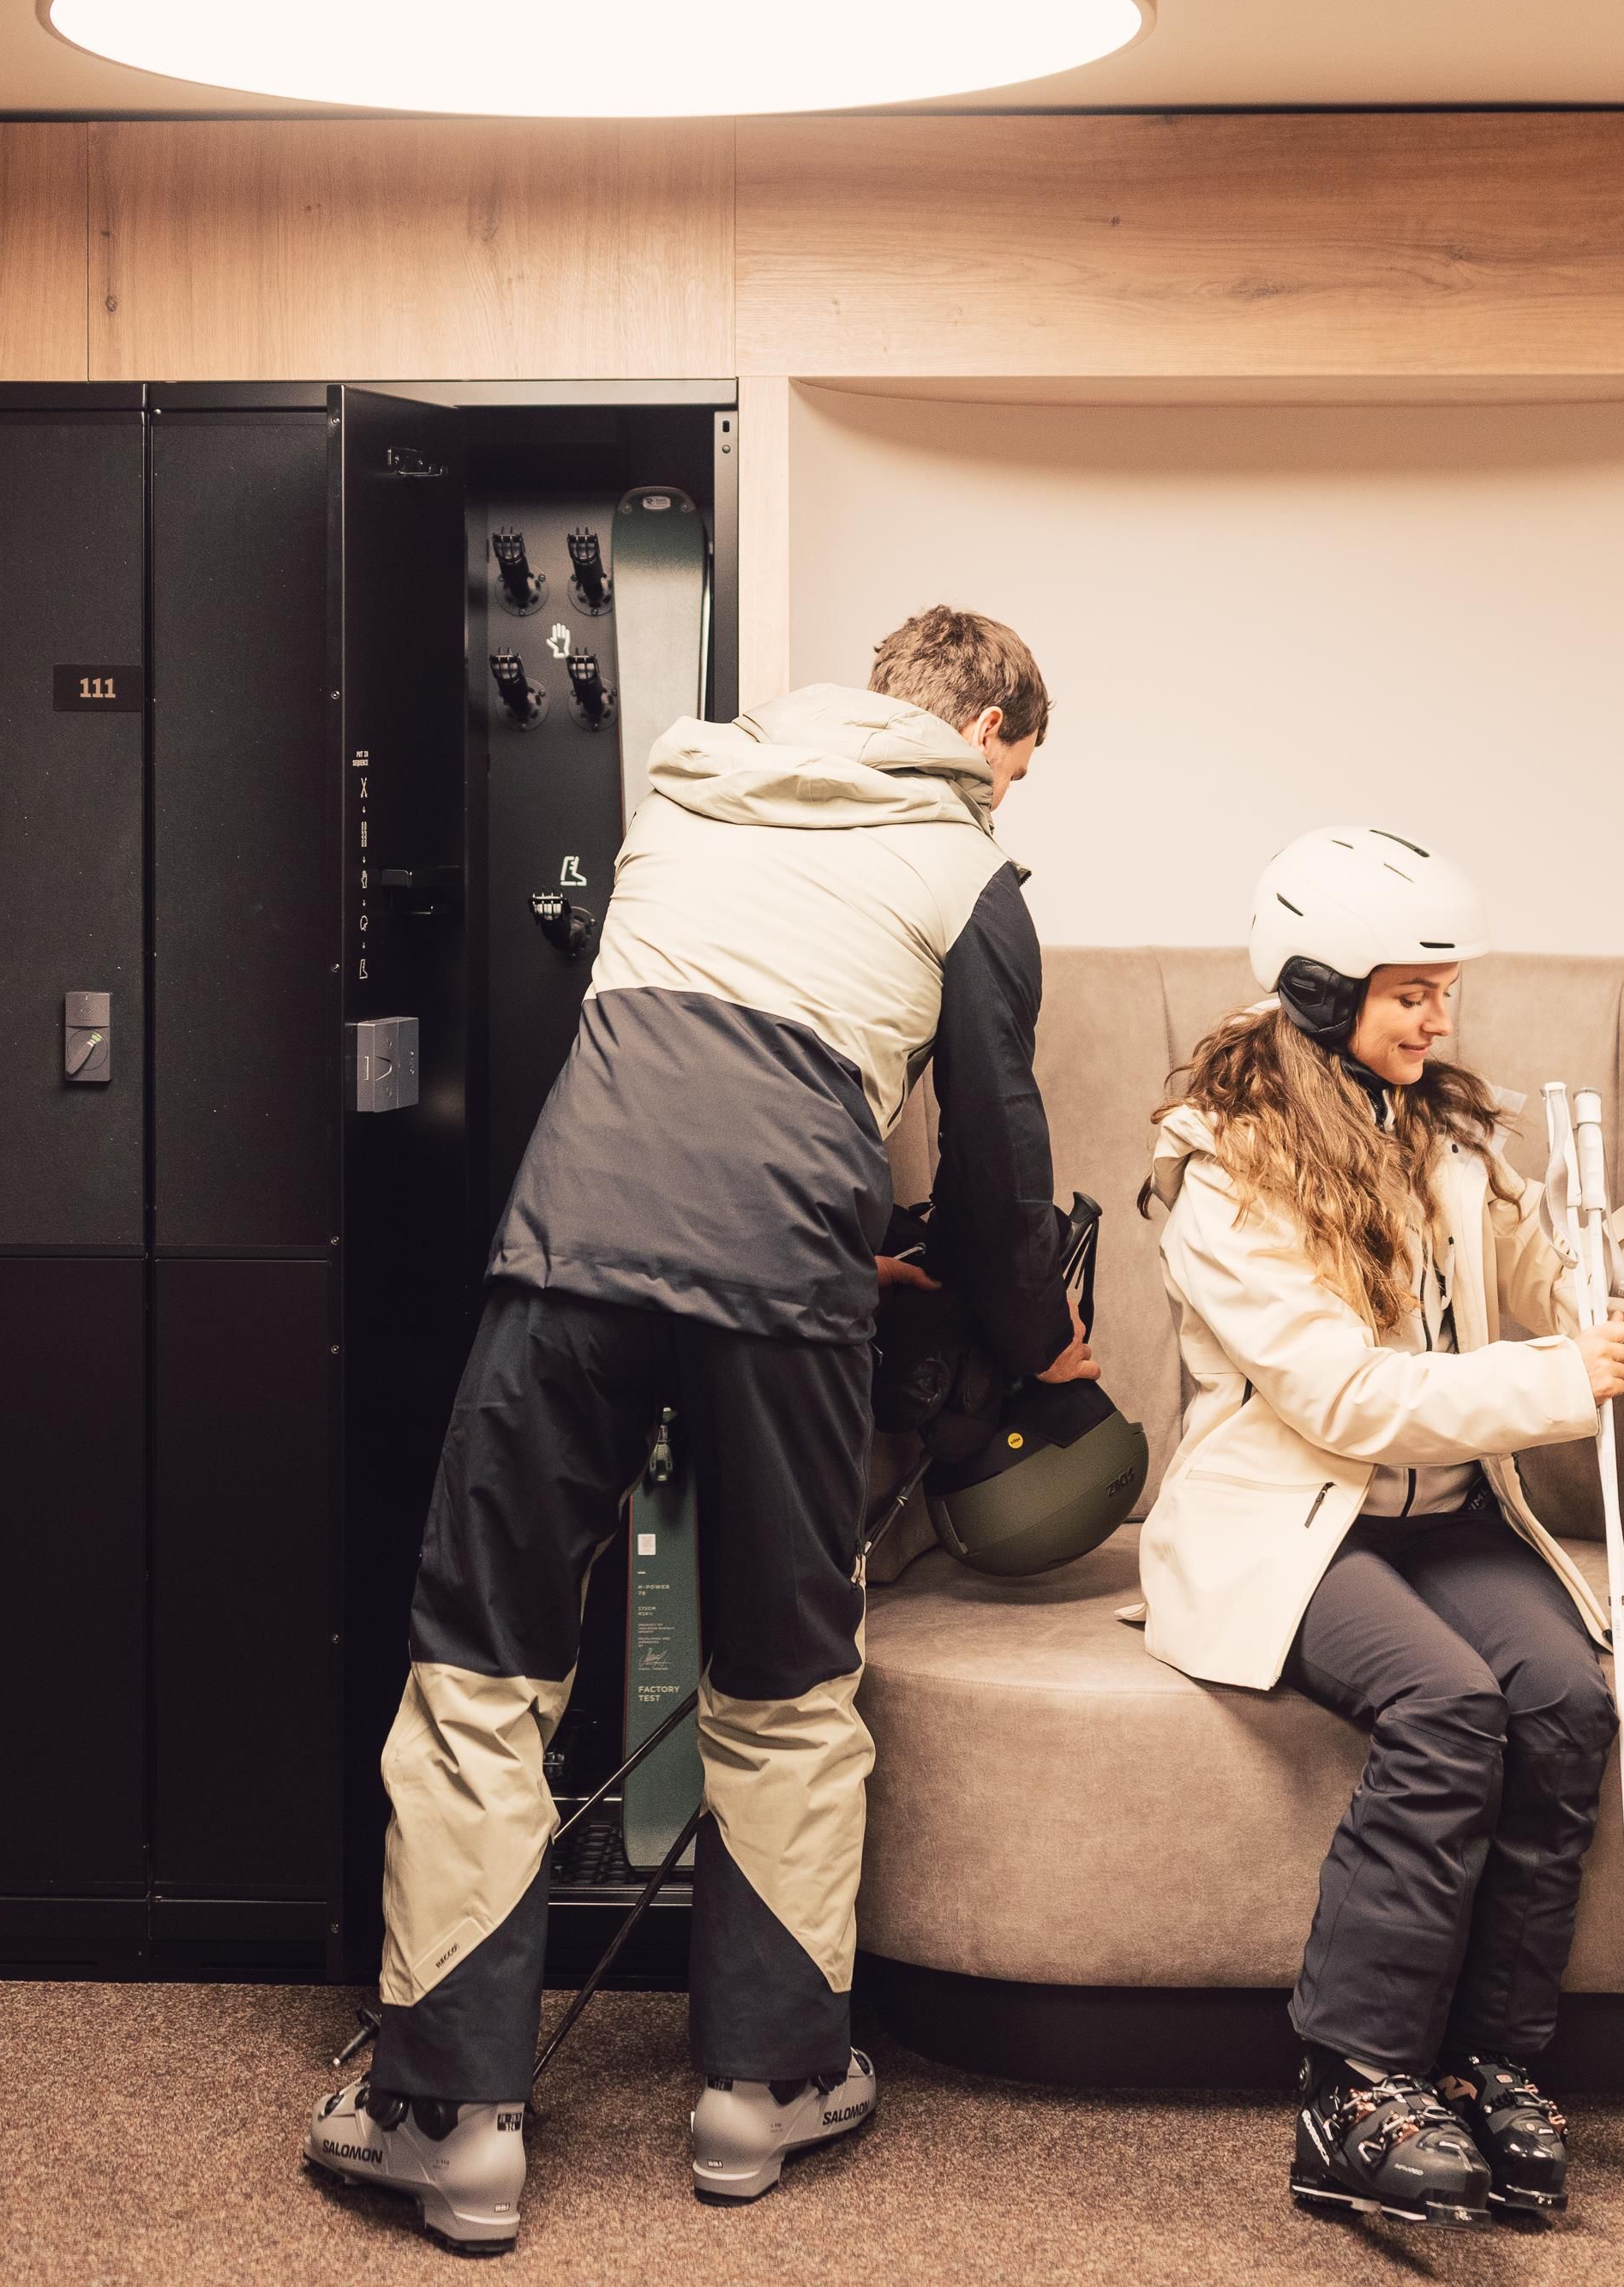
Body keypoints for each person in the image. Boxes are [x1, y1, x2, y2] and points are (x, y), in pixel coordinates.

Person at [305, 609, 1095, 2253]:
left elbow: (684, 1060)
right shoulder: (971, 876)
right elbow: (1001, 1167)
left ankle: (445, 2117)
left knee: (481, 1665)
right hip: (780, 1282)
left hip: (574, 1242)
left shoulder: (687, 796)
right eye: (1018, 768)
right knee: (787, 1675)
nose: (1008, 798)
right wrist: (1035, 1341)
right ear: (997, 725)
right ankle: (765, 2088)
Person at [1135, 826, 1624, 2229]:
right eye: (1410, 994)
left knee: (1566, 1697)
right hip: (1302, 1519)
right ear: (1319, 992)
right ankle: (1355, 2090)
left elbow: (1572, 1285)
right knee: (1448, 1706)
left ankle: (1492, 2069)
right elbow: (1335, 1395)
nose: (1442, 1019)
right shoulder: (1225, 1170)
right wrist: (1554, 1388)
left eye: (1447, 990)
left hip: (1446, 1512)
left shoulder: (1440, 1136)